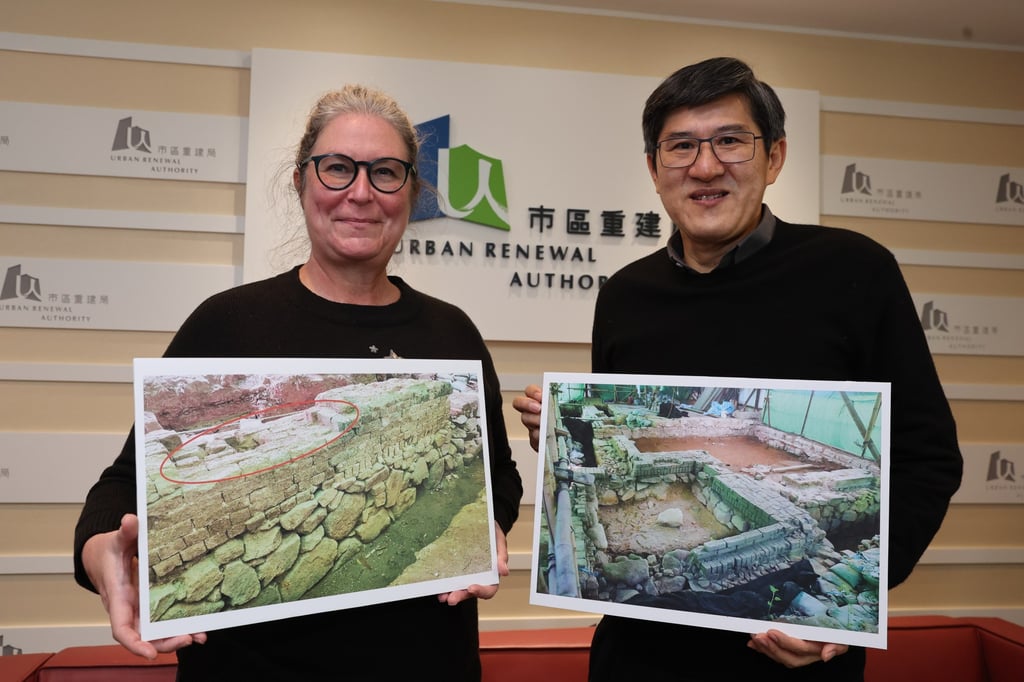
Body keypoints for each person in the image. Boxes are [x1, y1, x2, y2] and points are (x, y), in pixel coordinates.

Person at [514, 57, 962, 682]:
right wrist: (563, 431)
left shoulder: (853, 273)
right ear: (654, 166)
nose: (705, 166)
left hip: (791, 660)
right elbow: (618, 420)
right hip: (642, 657)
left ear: (774, 157)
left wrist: (848, 603)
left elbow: (928, 457)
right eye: (681, 147)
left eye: (730, 141)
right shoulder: (625, 294)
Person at [74, 84, 523, 681]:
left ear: (412, 192)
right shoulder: (227, 322)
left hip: (427, 659)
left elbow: (501, 477)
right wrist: (101, 550)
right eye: (338, 168)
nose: (360, 193)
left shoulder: (451, 331)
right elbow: (124, 484)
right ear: (301, 180)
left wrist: (488, 522)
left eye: (385, 173)